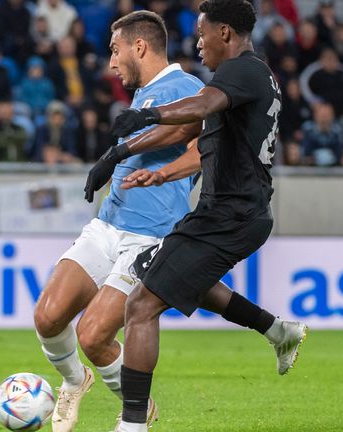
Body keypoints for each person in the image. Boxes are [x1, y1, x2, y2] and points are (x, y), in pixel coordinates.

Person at [107, 2, 307, 431]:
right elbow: (205, 149)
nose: (198, 42)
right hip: (230, 212)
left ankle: (132, 425)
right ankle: (277, 330)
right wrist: (162, 174)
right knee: (180, 279)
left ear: (226, 35)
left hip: (230, 214)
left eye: (203, 33)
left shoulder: (239, 73)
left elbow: (201, 105)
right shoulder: (255, 77)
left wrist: (147, 114)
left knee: (141, 306)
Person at [34, 11, 204, 431]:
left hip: (148, 235)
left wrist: (117, 153)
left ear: (139, 47)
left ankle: (136, 408)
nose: (111, 61)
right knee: (47, 317)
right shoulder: (145, 93)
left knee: (93, 336)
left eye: (115, 50)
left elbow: (190, 133)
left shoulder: (186, 87)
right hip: (108, 224)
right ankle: (75, 382)